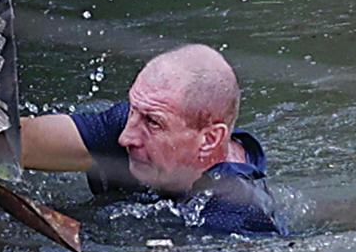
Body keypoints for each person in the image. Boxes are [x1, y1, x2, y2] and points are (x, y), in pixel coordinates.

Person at [16, 43, 283, 235]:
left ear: (210, 140)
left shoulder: (236, 213)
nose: (126, 137)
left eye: (153, 122)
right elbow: (15, 144)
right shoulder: (133, 126)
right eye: (133, 109)